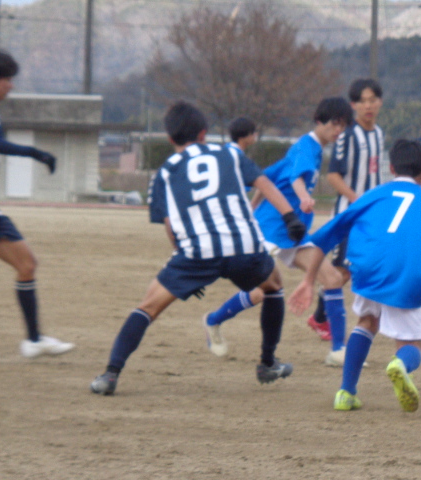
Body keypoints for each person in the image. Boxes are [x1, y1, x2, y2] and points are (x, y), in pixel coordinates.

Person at [90, 101, 306, 395]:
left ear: (170, 138)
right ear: (204, 133)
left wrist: (186, 268)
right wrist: (290, 217)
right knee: (274, 286)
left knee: (148, 306)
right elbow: (263, 183)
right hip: (243, 245)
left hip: (197, 253)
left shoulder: (164, 173)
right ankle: (267, 363)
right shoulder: (229, 154)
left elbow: (170, 225)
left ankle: (110, 374)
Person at [288, 139, 421, 412]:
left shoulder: (373, 195)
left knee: (368, 320)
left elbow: (324, 238)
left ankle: (346, 392)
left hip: (367, 267)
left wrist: (308, 281)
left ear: (391, 168)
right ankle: (400, 363)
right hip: (407, 274)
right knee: (411, 342)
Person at [202, 97, 354, 366]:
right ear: (319, 121)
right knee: (262, 291)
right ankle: (214, 320)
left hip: (293, 234)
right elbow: (296, 179)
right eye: (335, 124)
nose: (338, 130)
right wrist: (303, 197)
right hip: (271, 229)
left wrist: (252, 206)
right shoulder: (307, 147)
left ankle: (338, 351)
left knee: (331, 277)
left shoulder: (307, 149)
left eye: (343, 126)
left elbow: (267, 177)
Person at [0, 50, 74, 358]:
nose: (11, 85)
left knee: (26, 265)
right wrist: (36, 153)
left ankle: (33, 340)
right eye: (7, 79)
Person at [306, 78, 385, 342]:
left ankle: (321, 317)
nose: (368, 106)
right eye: (362, 101)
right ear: (353, 105)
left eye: (372, 100)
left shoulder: (379, 134)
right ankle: (321, 318)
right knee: (340, 271)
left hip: (369, 217)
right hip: (347, 217)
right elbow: (333, 176)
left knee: (350, 270)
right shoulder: (348, 135)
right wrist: (356, 199)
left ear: (380, 102)